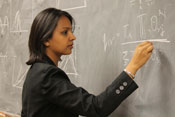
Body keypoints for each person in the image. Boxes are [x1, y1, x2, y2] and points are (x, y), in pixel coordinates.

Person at [21, 8, 153, 117]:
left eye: (71, 31)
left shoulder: (36, 70)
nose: (73, 37)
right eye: (64, 32)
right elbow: (96, 107)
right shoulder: (47, 75)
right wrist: (132, 67)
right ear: (46, 39)